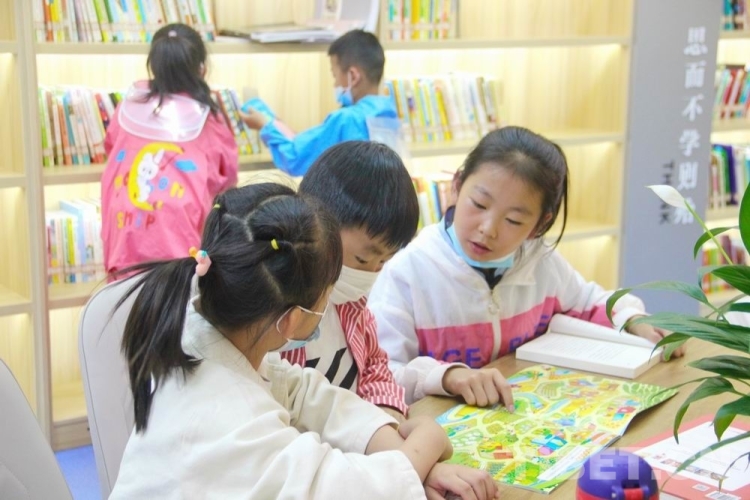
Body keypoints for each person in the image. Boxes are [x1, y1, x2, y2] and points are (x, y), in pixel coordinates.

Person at [109, 183, 498, 499]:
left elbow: (307, 395)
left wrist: (406, 458)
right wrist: (425, 442)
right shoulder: (232, 422)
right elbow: (352, 491)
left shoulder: (207, 332)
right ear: (293, 320)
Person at [368, 126, 686, 410]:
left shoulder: (540, 262)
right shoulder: (406, 273)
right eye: (478, 204)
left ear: (539, 225)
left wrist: (634, 319)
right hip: (441, 435)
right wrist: (446, 376)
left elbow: (590, 302)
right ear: (457, 185)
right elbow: (381, 374)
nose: (488, 229)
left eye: (513, 220)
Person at [281, 141, 420, 423]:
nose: (371, 273)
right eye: (362, 259)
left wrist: (387, 412)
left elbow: (375, 366)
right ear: (314, 223)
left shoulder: (352, 305)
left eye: (384, 261)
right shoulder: (275, 312)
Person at [101, 23, 238, 276]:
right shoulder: (209, 122)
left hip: (123, 242)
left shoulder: (127, 109)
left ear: (154, 64)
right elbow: (227, 182)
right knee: (178, 298)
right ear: (201, 68)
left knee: (126, 298)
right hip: (180, 249)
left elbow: (111, 147)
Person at [241, 29, 399, 177]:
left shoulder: (345, 120)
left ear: (353, 76)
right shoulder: (388, 111)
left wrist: (265, 126)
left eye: (335, 76)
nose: (335, 84)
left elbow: (294, 158)